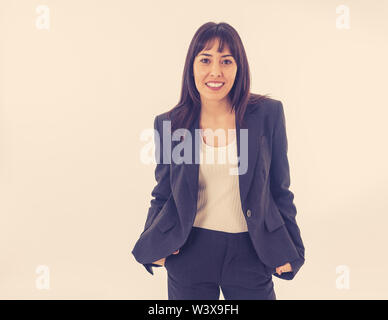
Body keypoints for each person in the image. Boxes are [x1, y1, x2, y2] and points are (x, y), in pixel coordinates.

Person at [132, 22, 305, 300]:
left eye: (226, 61)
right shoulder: (170, 124)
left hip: (250, 252)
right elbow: (163, 193)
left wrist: (293, 250)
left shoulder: (266, 115)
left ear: (239, 67)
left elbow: (279, 189)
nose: (215, 71)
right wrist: (154, 247)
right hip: (190, 251)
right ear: (192, 66)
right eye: (205, 60)